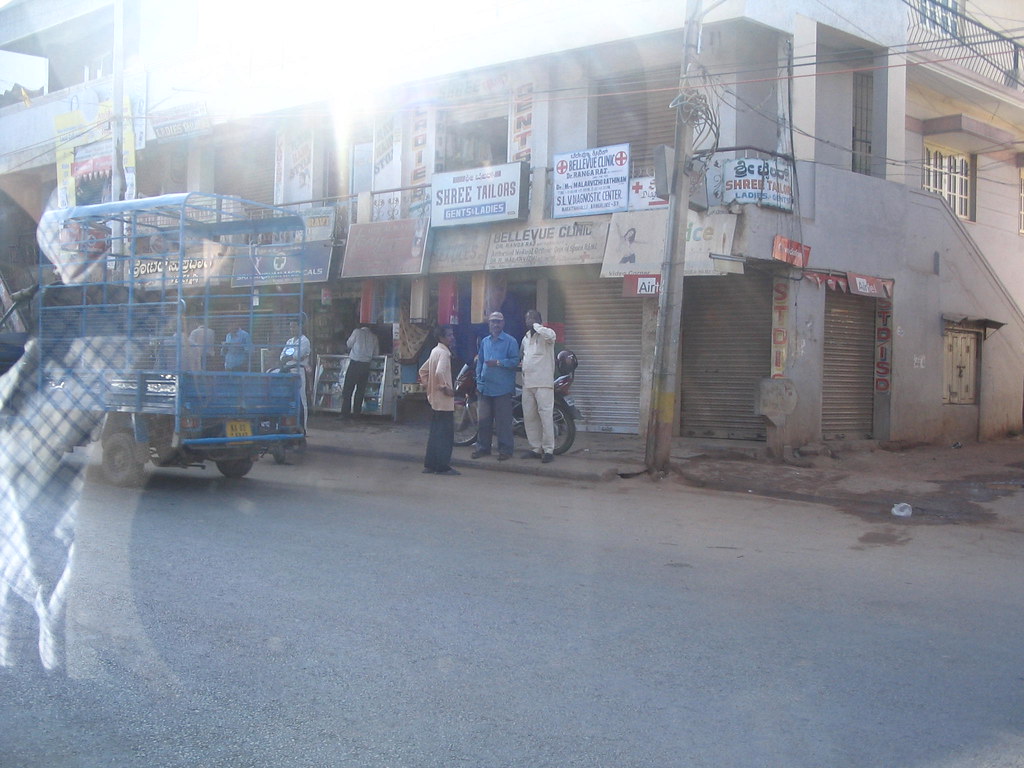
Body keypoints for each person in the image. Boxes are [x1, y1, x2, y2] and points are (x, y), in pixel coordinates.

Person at [471, 311, 519, 461]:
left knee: (503, 422)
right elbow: (480, 361)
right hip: (485, 387)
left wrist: (498, 362)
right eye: (493, 321)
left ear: (503, 323)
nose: (495, 324)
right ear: (489, 324)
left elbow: (515, 361)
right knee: (483, 421)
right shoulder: (485, 341)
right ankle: (483, 448)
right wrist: (478, 380)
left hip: (502, 388)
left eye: (498, 321)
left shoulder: (510, 341)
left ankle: (505, 450)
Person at [418, 325, 460, 475]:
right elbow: (440, 372)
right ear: (441, 337)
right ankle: (442, 466)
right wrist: (444, 387)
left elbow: (423, 371)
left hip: (434, 400)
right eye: (449, 335)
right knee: (445, 435)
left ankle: (430, 464)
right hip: (444, 401)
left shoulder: (435, 351)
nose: (452, 337)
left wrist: (429, 386)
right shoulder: (444, 353)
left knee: (435, 434)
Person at [519, 309, 557, 463]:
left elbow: (551, 336)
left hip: (543, 384)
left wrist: (537, 326)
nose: (528, 321)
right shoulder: (525, 338)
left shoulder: (546, 335)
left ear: (539, 320)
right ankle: (535, 448)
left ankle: (548, 450)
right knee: (530, 417)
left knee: (546, 417)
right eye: (527, 319)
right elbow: (523, 356)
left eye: (532, 318)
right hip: (528, 384)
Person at [341, 323, 378, 417]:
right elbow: (376, 353)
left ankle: (345, 413)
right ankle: (357, 413)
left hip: (355, 363)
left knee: (348, 389)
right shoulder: (374, 337)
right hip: (366, 365)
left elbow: (348, 344)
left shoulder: (357, 332)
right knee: (360, 390)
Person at [282, 318, 312, 430]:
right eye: (291, 327)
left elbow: (297, 356)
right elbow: (282, 357)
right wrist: (290, 356)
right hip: (288, 371)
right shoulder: (289, 341)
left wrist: (290, 356)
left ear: (300, 327)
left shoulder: (305, 341)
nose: (292, 329)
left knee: (301, 399)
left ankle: (303, 428)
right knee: (289, 399)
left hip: (299, 371)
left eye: (294, 326)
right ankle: (291, 427)